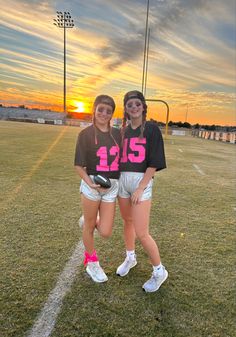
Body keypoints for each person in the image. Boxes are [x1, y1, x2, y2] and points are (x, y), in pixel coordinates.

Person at [116, 90, 168, 293]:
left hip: (140, 182)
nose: (134, 107)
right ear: (126, 109)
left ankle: (159, 271)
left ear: (143, 106)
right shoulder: (121, 131)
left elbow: (154, 163)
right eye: (130, 105)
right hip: (122, 181)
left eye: (137, 104)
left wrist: (140, 187)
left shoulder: (152, 130)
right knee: (127, 222)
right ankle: (130, 257)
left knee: (142, 232)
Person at [74, 95, 121, 283]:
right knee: (89, 227)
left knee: (106, 232)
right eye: (101, 109)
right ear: (94, 109)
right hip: (92, 185)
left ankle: (88, 219)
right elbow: (78, 165)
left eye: (108, 111)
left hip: (111, 187)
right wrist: (89, 182)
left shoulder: (118, 134)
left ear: (112, 114)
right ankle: (92, 262)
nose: (104, 114)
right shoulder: (85, 134)